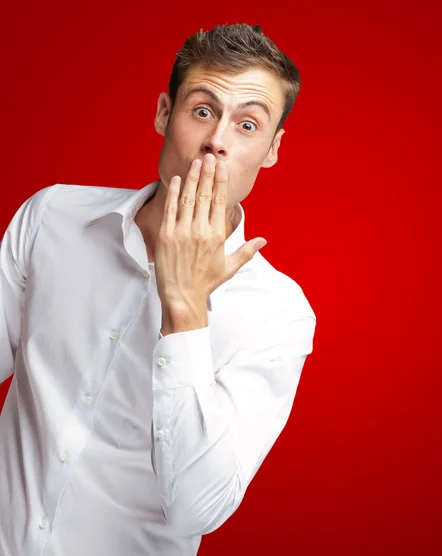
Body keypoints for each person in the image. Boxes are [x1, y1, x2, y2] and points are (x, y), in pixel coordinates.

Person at [0, 23, 316, 555]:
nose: (217, 140)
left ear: (272, 150)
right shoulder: (52, 217)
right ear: (164, 113)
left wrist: (186, 310)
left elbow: (201, 508)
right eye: (202, 110)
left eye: (246, 124)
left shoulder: (279, 314)